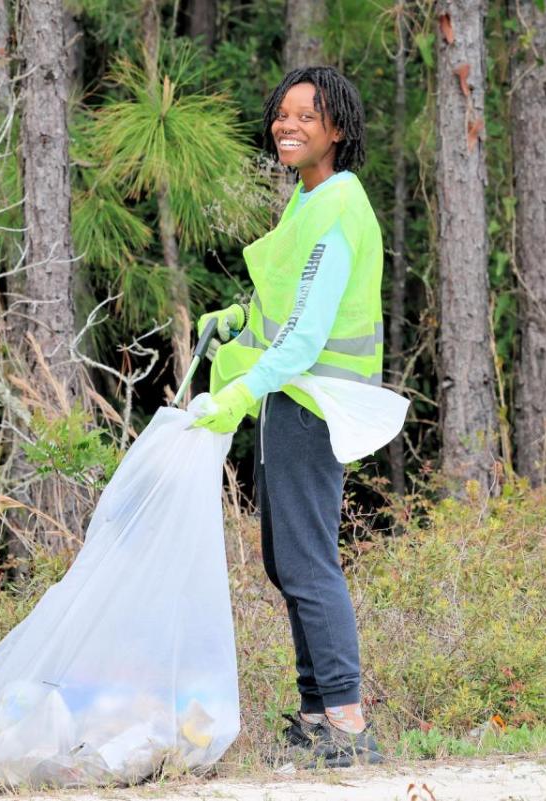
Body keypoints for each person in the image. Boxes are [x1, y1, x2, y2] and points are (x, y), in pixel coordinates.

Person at [192, 65, 385, 768]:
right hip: (288, 398)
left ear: (337, 129)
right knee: (285, 559)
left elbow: (305, 340)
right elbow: (289, 308)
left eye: (307, 116)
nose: (288, 126)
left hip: (314, 401)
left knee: (308, 561)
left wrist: (240, 393)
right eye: (282, 114)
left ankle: (348, 722)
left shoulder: (338, 207)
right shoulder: (306, 202)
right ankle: (313, 715)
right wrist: (239, 316)